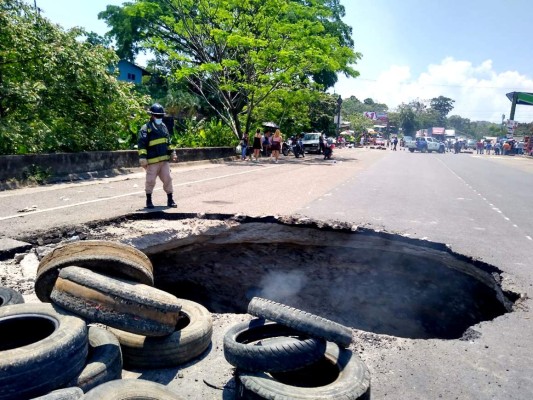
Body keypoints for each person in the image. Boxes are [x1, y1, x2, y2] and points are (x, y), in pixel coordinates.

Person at [138, 103, 178, 209]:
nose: (159, 118)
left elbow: (168, 142)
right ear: (152, 115)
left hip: (164, 161)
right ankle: (149, 201)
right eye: (157, 116)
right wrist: (142, 157)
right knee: (150, 181)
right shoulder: (146, 128)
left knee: (168, 179)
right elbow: (142, 144)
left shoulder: (164, 127)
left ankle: (170, 200)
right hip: (152, 161)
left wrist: (172, 152)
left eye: (161, 116)